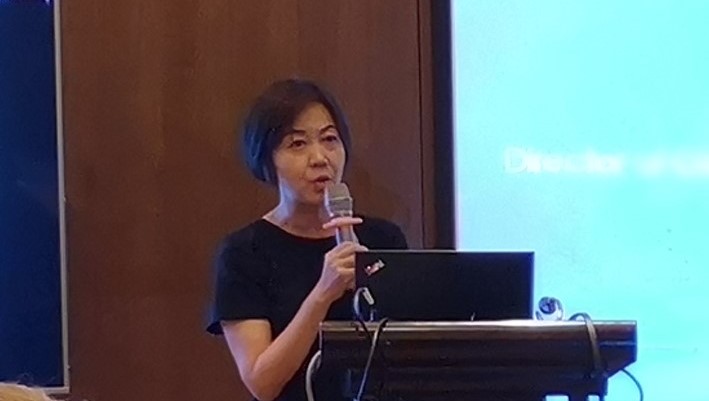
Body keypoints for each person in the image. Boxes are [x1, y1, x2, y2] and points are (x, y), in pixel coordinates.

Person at [206, 78, 408, 401]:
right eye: (297, 144)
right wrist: (323, 293)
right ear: (267, 159)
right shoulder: (244, 253)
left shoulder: (383, 238)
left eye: (329, 139)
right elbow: (262, 383)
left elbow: (409, 356)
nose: (319, 158)